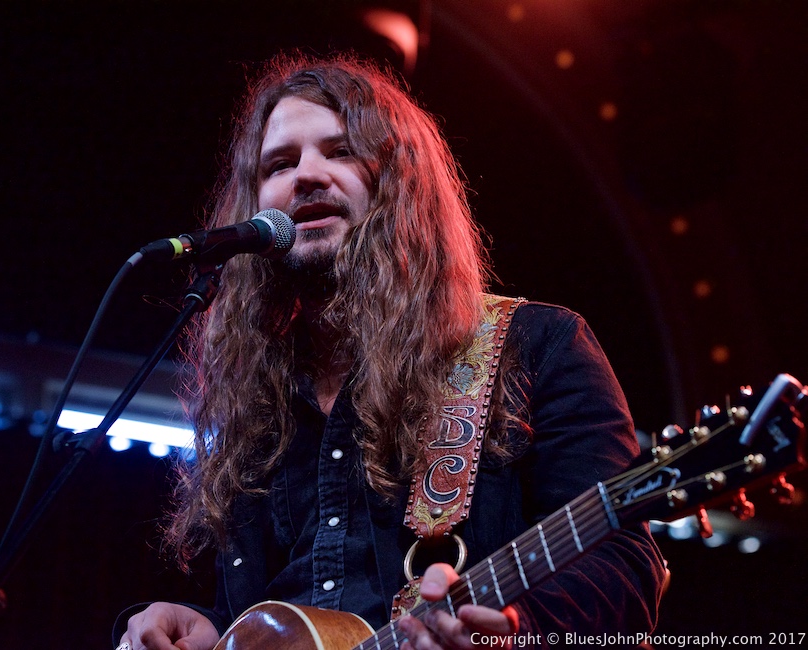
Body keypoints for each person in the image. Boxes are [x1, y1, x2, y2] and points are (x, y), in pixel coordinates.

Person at [115, 53, 666, 650]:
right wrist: (208, 629)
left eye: (341, 151)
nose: (307, 175)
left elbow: (626, 571)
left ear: (401, 184)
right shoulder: (257, 400)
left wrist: (514, 634)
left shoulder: (536, 347)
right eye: (280, 162)